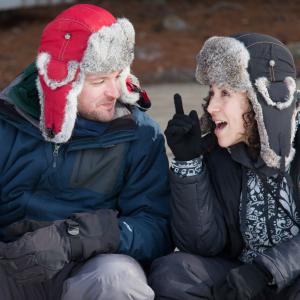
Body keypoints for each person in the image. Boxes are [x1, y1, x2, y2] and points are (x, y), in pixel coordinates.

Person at [0, 4, 173, 300]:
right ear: (63, 84)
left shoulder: (139, 134)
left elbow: (156, 226)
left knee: (118, 280)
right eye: (99, 81)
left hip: (88, 268)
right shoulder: (7, 123)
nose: (114, 91)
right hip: (10, 268)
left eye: (117, 76)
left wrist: (77, 238)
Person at [149, 32, 300, 299]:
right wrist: (189, 164)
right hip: (243, 277)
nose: (211, 107)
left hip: (289, 276)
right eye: (211, 93)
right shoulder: (219, 152)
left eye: (226, 93)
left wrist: (265, 271)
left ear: (262, 97)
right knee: (172, 272)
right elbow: (202, 244)